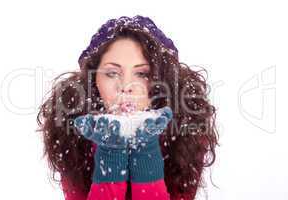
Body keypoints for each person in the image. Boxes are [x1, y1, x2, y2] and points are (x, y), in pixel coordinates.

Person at [36, 15, 219, 200]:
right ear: (93, 81)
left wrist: (146, 150)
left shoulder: (186, 130)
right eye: (112, 73)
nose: (126, 86)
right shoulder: (72, 130)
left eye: (142, 73)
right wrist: (110, 151)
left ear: (162, 80)